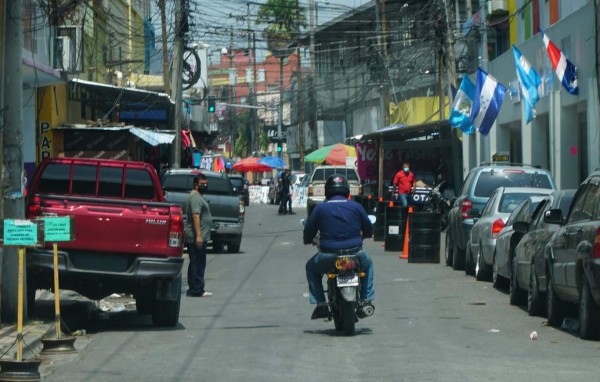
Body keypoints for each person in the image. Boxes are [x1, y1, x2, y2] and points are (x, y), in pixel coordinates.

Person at [303, 174, 375, 319]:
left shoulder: (320, 208)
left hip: (328, 255)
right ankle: (365, 299)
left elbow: (309, 230)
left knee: (311, 268)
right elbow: (368, 228)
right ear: (347, 190)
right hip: (355, 253)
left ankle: (321, 304)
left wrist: (308, 239)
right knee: (368, 266)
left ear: (327, 190)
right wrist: (365, 234)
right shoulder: (356, 206)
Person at [184, 174, 213, 297]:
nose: (205, 186)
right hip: (196, 236)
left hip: (197, 235)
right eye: (202, 184)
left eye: (206, 183)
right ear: (196, 184)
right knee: (198, 262)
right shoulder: (195, 197)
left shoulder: (198, 196)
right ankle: (197, 289)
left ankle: (194, 288)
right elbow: (196, 216)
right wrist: (199, 236)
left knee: (195, 261)